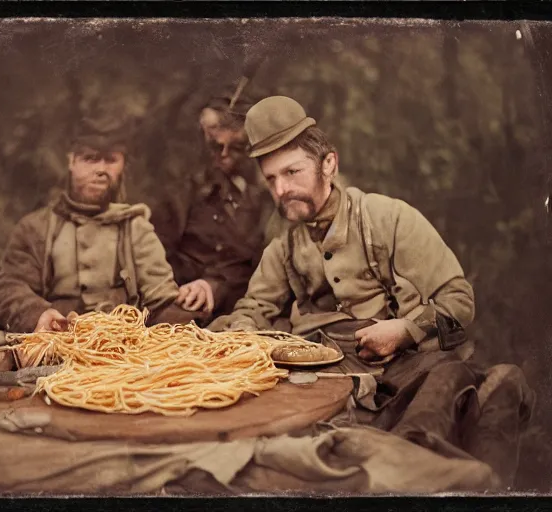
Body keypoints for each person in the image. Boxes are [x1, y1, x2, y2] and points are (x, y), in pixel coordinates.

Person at [208, 95, 533, 487]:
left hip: (406, 367)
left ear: (329, 164)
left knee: (452, 381)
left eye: (292, 172)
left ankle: (419, 469)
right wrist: (238, 333)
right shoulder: (284, 246)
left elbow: (458, 300)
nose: (281, 189)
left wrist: (404, 331)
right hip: (327, 378)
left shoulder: (387, 217)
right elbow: (254, 307)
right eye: (272, 179)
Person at [0, 114, 201, 335]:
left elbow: (161, 301)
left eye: (110, 160)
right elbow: (8, 287)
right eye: (90, 159)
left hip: (122, 348)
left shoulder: (135, 228)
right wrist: (39, 315)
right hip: (53, 344)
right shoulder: (36, 228)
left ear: (123, 165)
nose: (100, 169)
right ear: (71, 162)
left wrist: (186, 329)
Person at [150, 85, 275, 324]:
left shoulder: (267, 198)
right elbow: (156, 256)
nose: (225, 154)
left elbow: (264, 268)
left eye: (238, 147)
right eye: (216, 146)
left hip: (241, 306)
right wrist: (179, 291)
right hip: (183, 301)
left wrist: (216, 285)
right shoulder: (182, 193)